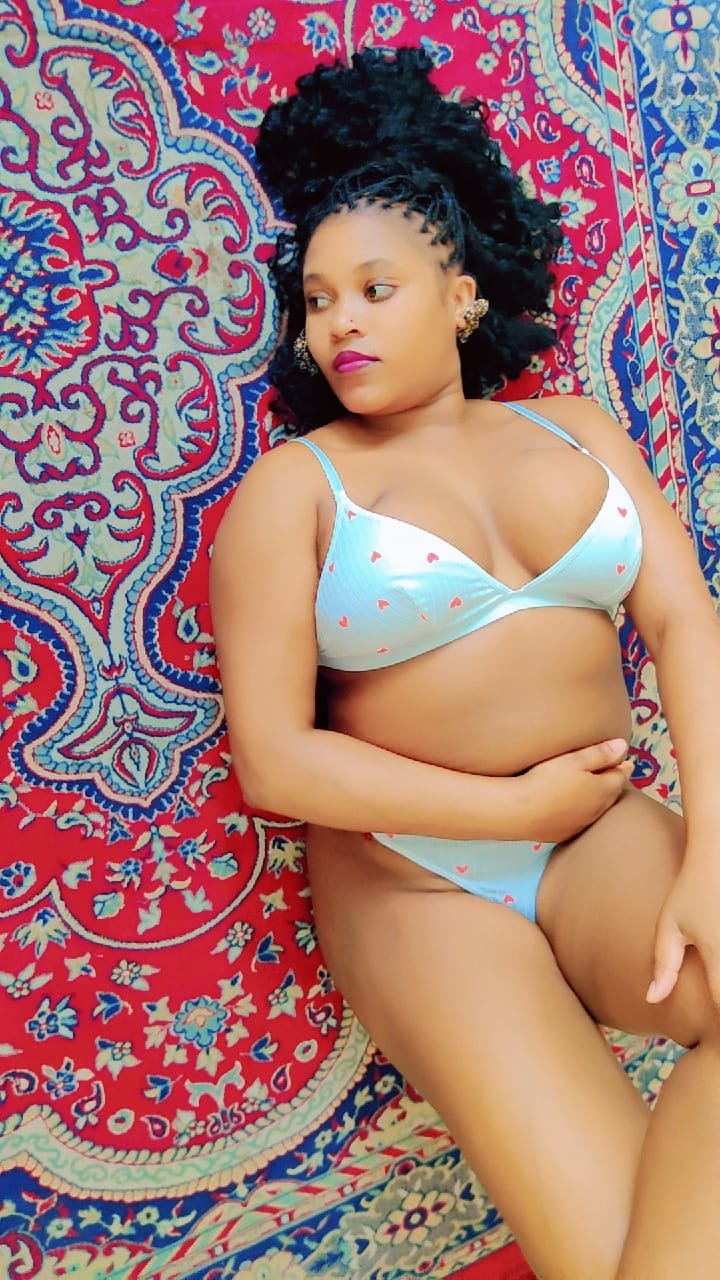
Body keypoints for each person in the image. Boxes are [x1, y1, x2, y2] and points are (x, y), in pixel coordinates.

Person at [210, 47, 720, 1280]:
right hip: (416, 877)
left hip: (599, 835)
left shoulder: (575, 428)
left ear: (462, 293)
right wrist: (510, 810)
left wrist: (712, 848)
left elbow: (686, 622)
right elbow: (275, 762)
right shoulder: (293, 490)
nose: (340, 322)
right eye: (317, 300)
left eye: (374, 287)